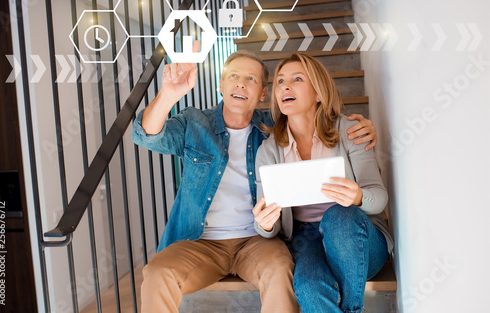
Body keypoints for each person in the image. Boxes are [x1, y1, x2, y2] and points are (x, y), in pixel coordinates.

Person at [132, 44, 378, 312]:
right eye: (234, 76)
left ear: (262, 93)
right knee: (156, 273)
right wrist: (168, 95)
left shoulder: (272, 128)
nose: (241, 84)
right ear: (221, 86)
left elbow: (310, 114)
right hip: (199, 241)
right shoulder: (195, 123)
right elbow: (146, 135)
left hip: (258, 241)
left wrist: (364, 126)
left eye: (251, 79)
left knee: (281, 269)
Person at [252, 53, 394, 313]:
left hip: (358, 238)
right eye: (280, 81)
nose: (285, 86)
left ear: (318, 93)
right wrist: (263, 224)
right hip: (306, 239)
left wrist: (358, 197)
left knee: (338, 216)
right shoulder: (268, 151)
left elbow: (379, 198)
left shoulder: (350, 131)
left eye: (297, 79)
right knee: (308, 285)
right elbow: (268, 229)